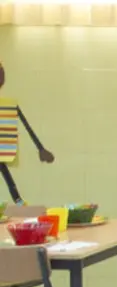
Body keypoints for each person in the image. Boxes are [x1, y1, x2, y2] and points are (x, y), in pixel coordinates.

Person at [0, 61, 56, 205]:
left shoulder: (9, 106)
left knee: (5, 172)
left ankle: (18, 202)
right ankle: (18, 201)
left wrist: (40, 148)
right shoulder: (8, 106)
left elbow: (26, 126)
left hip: (3, 149)